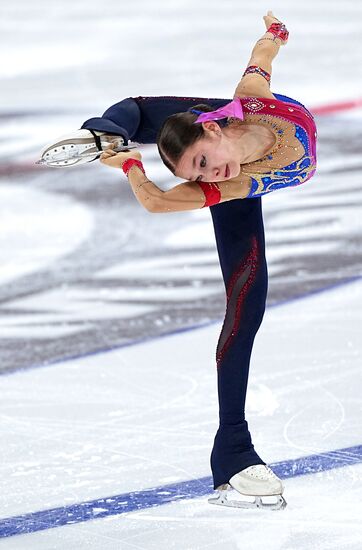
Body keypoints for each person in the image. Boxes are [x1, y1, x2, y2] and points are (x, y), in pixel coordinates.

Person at [37, 11, 317, 510]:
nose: (209, 172)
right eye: (198, 174)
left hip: (227, 118)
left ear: (217, 130)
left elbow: (262, 57)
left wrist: (274, 34)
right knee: (247, 302)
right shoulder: (225, 182)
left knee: (159, 114)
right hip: (244, 182)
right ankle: (106, 133)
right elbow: (157, 201)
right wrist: (130, 165)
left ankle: (228, 455)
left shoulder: (248, 101)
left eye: (204, 161)